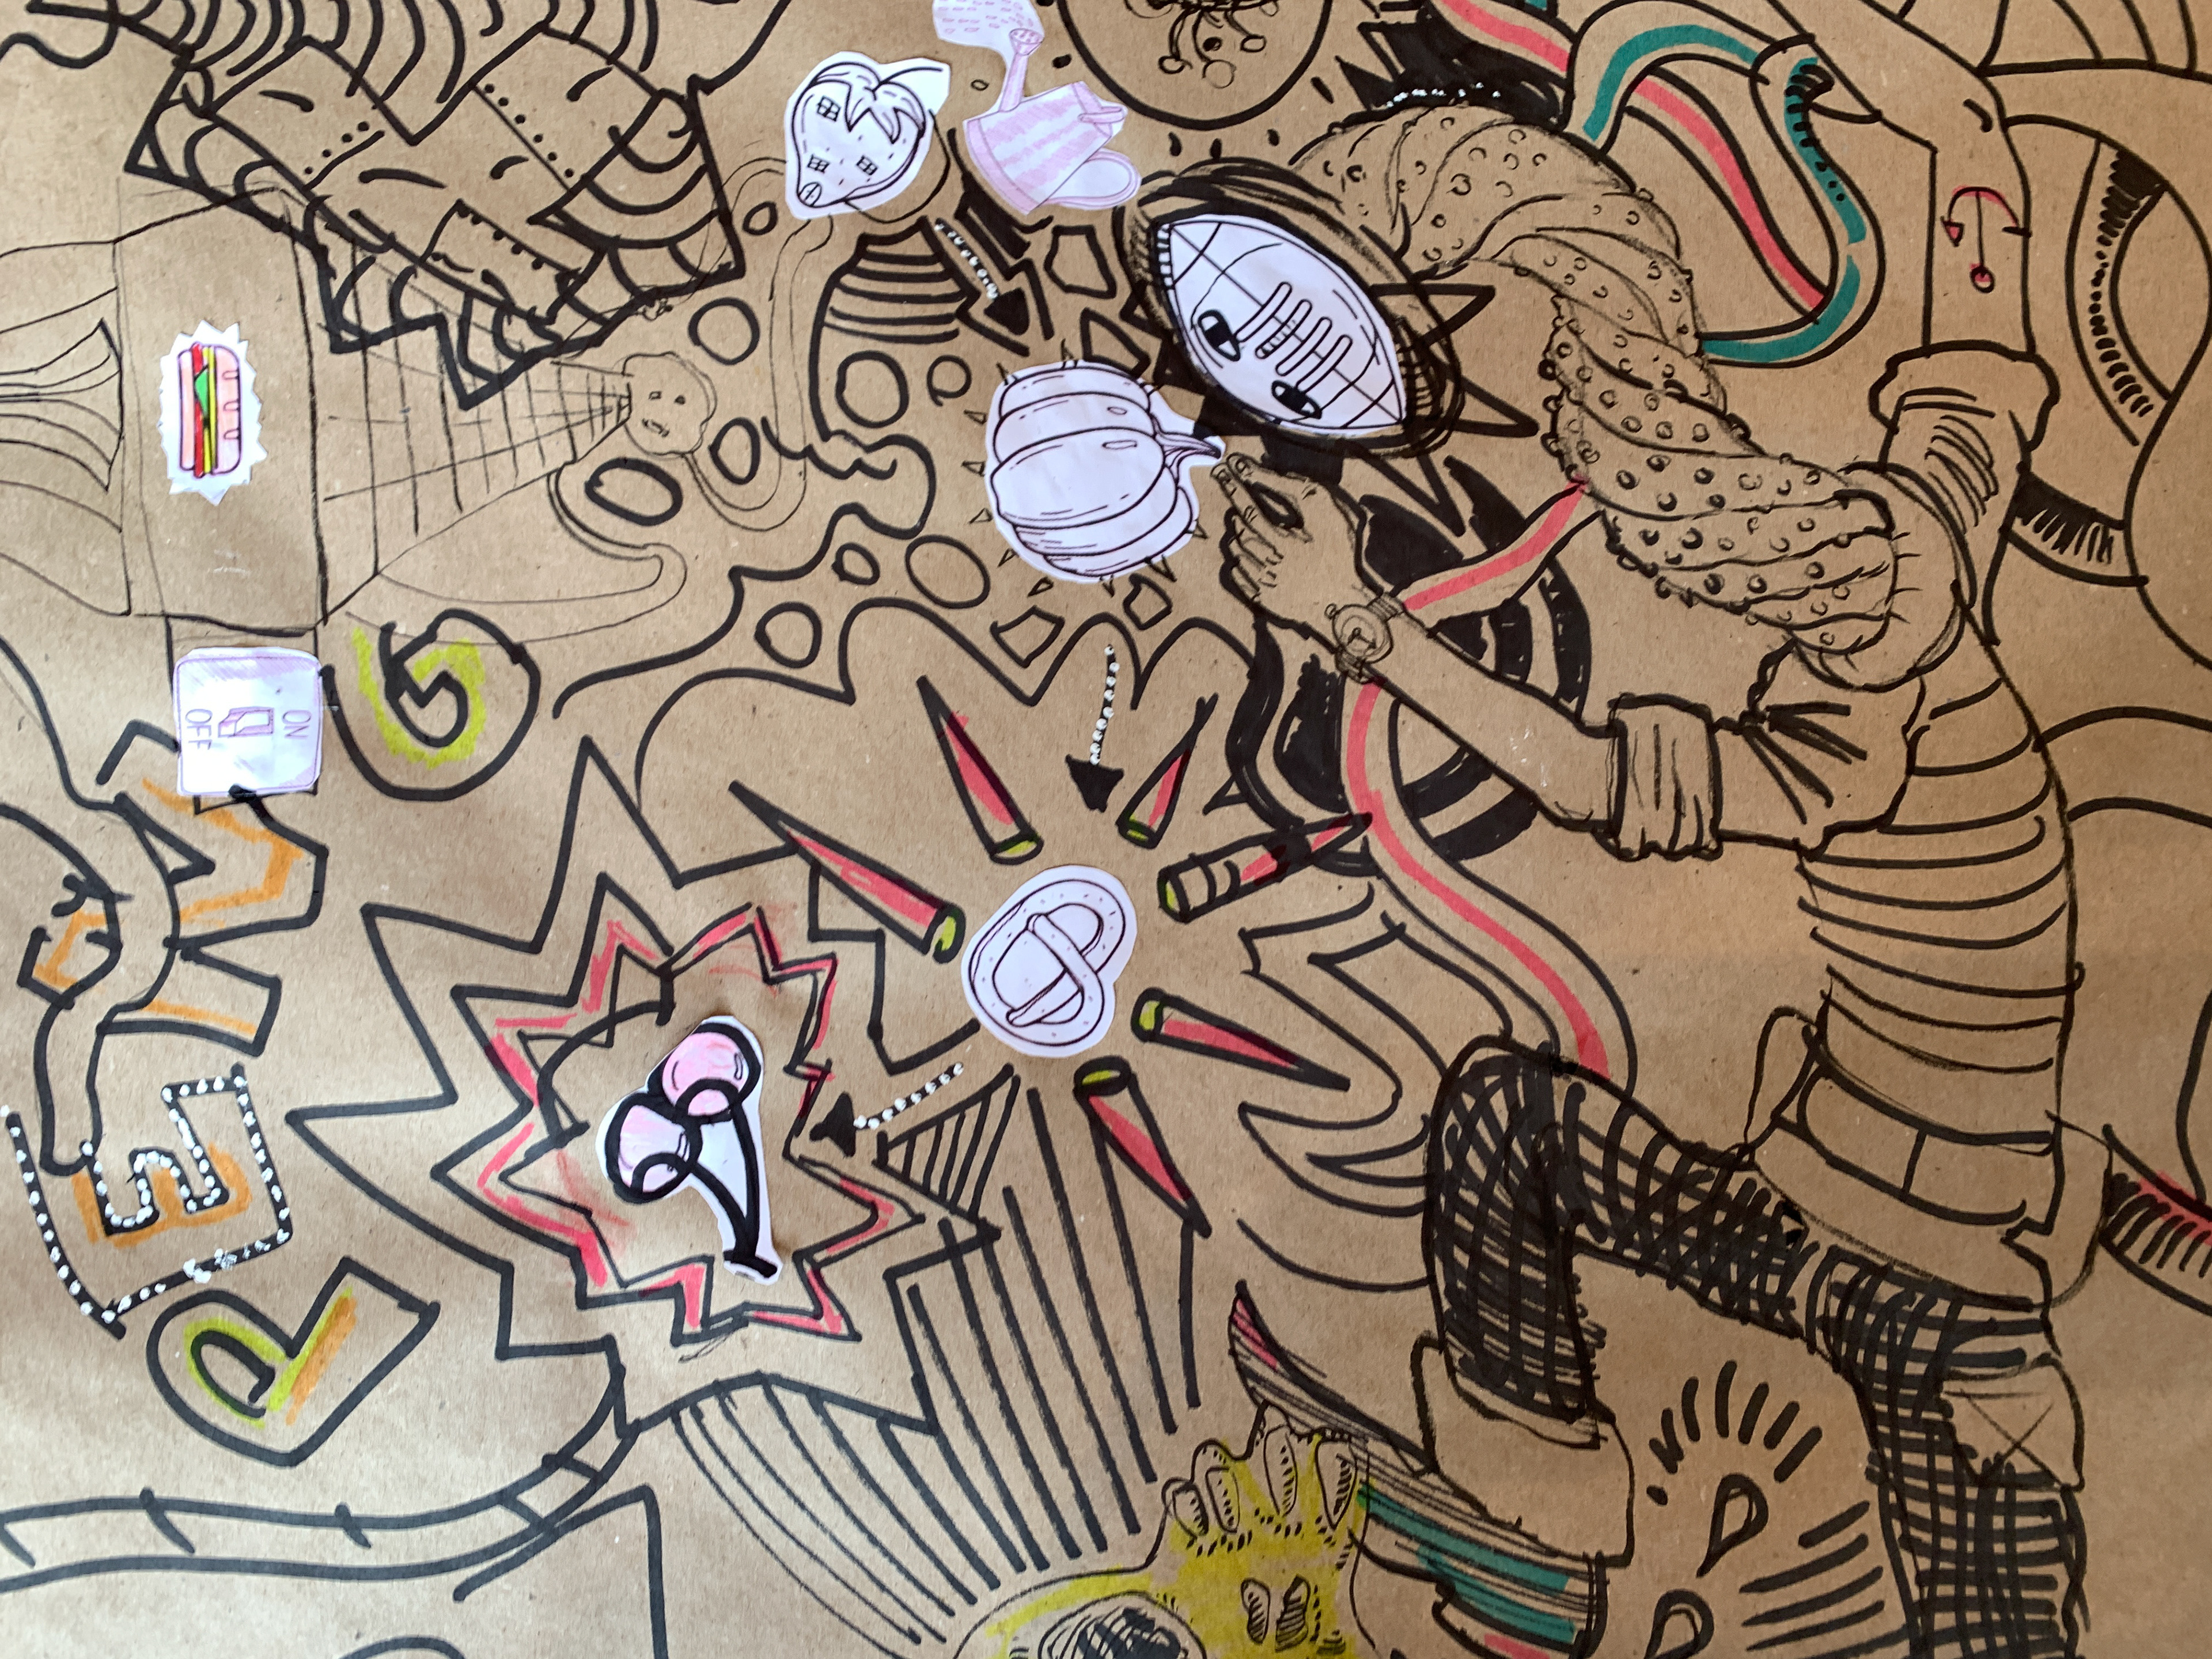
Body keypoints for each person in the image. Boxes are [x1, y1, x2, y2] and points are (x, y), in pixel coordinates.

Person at [1146, 21, 2089, 1659]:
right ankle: (1537, 1532)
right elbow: (1979, 358)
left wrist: (1359, 625)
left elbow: (1599, 785)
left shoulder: (1859, 699)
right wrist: (1961, 135)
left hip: (1950, 1310)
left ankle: (1542, 1522)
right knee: (1507, 1122)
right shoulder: (1914, 542)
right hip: (1805, 1207)